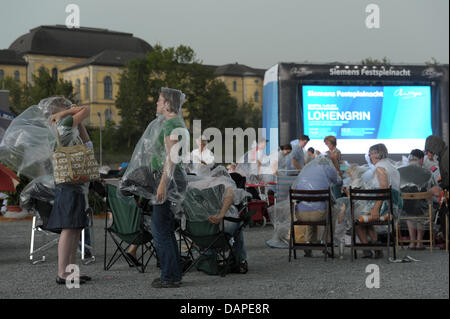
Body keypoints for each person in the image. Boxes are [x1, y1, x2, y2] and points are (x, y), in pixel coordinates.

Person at [121, 88, 188, 288]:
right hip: (168, 179)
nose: (156, 104)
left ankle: (170, 276)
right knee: (164, 228)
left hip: (168, 179)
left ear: (168, 104)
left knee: (160, 230)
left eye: (159, 100)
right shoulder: (171, 123)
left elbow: (172, 158)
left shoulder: (172, 124)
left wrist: (162, 185)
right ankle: (173, 273)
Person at [44, 98, 92, 285]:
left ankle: (71, 270)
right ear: (60, 109)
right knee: (68, 227)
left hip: (75, 182)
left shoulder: (68, 126)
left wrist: (76, 119)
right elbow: (86, 110)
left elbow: (87, 143)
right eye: (68, 105)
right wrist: (66, 113)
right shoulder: (62, 123)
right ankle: (62, 272)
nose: (73, 107)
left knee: (75, 227)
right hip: (69, 183)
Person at [354, 143, 400, 259]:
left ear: (376, 155)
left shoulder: (380, 168)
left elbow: (384, 189)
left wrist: (375, 208)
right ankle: (375, 247)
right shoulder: (390, 165)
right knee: (363, 218)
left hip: (385, 206)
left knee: (355, 218)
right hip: (391, 205)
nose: (369, 157)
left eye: (370, 154)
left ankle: (367, 249)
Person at [292, 156, 342, 257]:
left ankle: (309, 242)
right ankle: (326, 242)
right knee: (333, 212)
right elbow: (339, 181)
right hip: (319, 214)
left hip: (301, 215)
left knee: (311, 206)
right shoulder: (327, 168)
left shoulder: (306, 169)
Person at [398, 149, 437, 250]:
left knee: (410, 212)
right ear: (421, 159)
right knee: (424, 207)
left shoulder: (400, 171)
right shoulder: (427, 172)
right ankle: (419, 243)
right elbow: (434, 189)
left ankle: (412, 242)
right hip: (422, 208)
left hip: (404, 209)